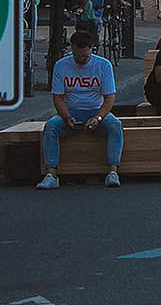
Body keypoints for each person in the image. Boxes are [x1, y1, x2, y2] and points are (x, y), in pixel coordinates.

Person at [40, 31, 123, 189]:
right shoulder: (61, 65)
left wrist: (98, 117)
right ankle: (51, 173)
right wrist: (66, 116)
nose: (81, 60)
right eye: (77, 56)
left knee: (115, 126)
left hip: (95, 109)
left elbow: (109, 97)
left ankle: (113, 171)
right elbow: (58, 97)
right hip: (72, 111)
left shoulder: (103, 65)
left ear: (92, 49)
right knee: (51, 126)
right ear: (72, 49)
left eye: (85, 56)